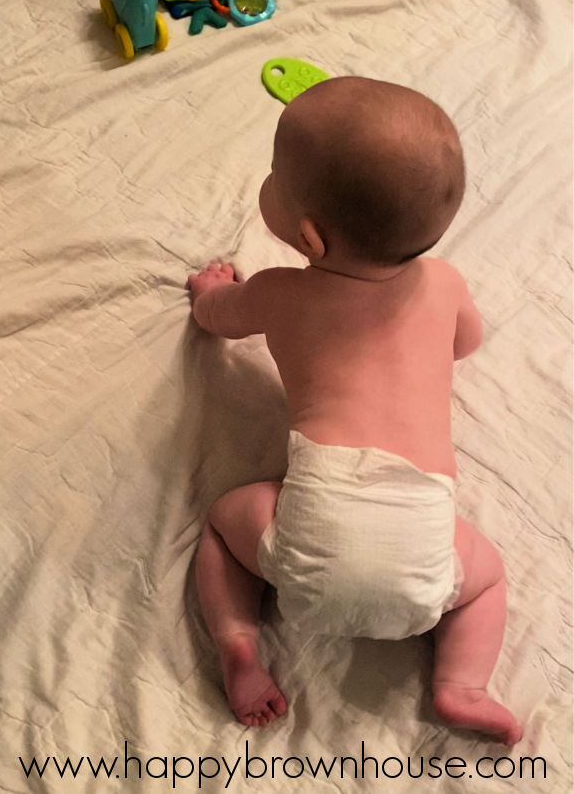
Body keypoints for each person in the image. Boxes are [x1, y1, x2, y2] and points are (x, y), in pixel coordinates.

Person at [187, 77, 523, 745]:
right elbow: (469, 342)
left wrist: (210, 289)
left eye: (277, 178)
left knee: (224, 525)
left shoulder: (280, 293)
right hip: (424, 552)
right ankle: (461, 684)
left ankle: (241, 645)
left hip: (311, 538)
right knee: (486, 581)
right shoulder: (446, 283)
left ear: (311, 239)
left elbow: (214, 321)